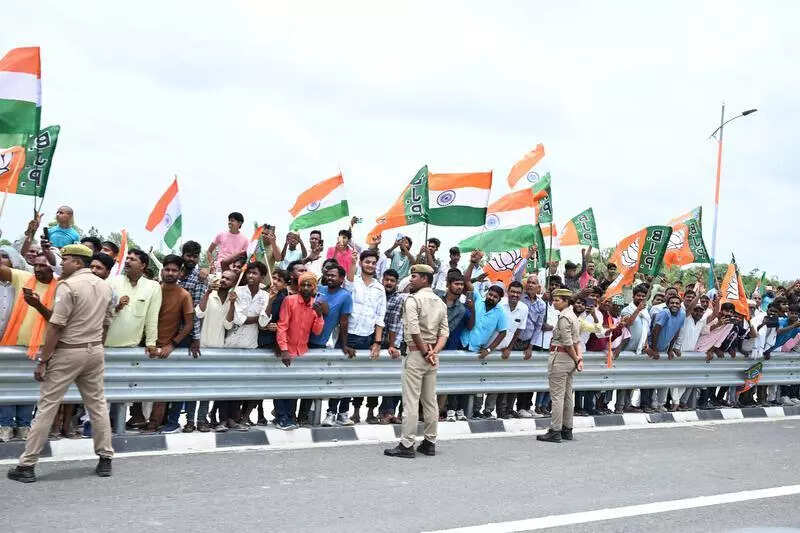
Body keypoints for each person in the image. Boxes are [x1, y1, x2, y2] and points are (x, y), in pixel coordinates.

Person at [7, 244, 115, 483]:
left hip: (68, 352)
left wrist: (43, 360)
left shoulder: (68, 286)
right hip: (94, 350)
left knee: (47, 406)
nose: (61, 264)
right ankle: (105, 459)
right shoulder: (106, 287)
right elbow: (107, 322)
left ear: (77, 262)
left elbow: (56, 325)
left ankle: (27, 465)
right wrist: (96, 346)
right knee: (97, 404)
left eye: (64, 259)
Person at [384, 264, 448, 458]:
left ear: (425, 280)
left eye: (414, 276)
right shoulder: (440, 302)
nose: (411, 279)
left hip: (415, 353)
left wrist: (424, 352)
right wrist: (433, 352)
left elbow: (413, 330)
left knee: (411, 401)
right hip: (432, 355)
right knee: (430, 400)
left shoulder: (413, 300)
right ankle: (430, 442)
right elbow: (444, 333)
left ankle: (407, 444)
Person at [105, 249, 162, 429]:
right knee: (102, 391)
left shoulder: (153, 287)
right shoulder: (112, 282)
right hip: (106, 346)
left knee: (122, 391)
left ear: (143, 265)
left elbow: (152, 318)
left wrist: (151, 343)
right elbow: (101, 311)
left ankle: (118, 425)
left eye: (133, 259)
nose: (128, 262)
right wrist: (116, 307)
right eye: (127, 258)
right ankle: (99, 425)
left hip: (131, 349)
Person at [147, 255, 195, 434]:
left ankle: (154, 423)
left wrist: (172, 345)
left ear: (180, 273)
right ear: (162, 271)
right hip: (146, 346)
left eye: (174, 270)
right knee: (138, 387)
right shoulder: (154, 291)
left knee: (161, 389)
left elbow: (189, 324)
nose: (170, 273)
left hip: (167, 348)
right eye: (167, 269)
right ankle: (138, 420)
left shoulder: (184, 295)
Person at [274, 272, 325, 430]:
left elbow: (317, 331)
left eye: (309, 285)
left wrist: (319, 315)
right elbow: (282, 326)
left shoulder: (315, 304)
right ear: (298, 285)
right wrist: (283, 349)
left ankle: (290, 417)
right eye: (303, 284)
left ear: (314, 287)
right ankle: (281, 418)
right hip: (286, 351)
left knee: (294, 387)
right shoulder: (289, 300)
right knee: (282, 387)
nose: (306, 287)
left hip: (302, 352)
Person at [343, 249, 387, 423]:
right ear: (361, 263)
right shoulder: (354, 282)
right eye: (367, 261)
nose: (370, 265)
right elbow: (347, 284)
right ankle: (343, 412)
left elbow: (380, 317)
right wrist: (352, 263)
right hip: (350, 336)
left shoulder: (379, 288)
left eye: (373, 262)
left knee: (365, 376)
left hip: (368, 337)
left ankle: (361, 411)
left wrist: (377, 342)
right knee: (345, 376)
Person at [537, 288, 582, 443]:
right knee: (567, 396)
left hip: (561, 357)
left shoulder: (564, 317)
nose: (554, 302)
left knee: (557, 397)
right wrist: (578, 359)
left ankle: (555, 430)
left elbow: (569, 343)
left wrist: (576, 358)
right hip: (569, 359)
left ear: (566, 301)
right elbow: (577, 341)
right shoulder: (573, 316)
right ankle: (567, 429)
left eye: (557, 300)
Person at [173, 241, 209, 432]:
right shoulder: (173, 272)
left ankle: (190, 420)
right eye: (188, 256)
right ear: (183, 254)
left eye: (195, 257)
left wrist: (195, 337)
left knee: (188, 380)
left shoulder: (200, 277)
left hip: (187, 334)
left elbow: (195, 311)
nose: (191, 260)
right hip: (168, 330)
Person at [195, 270, 237, 432]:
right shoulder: (210, 294)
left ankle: (202, 419)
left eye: (228, 279)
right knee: (195, 388)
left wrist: (232, 303)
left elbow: (228, 325)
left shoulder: (231, 300)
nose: (224, 280)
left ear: (233, 284)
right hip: (201, 347)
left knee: (206, 389)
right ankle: (190, 420)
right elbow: (199, 313)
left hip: (218, 350)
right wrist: (207, 292)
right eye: (223, 277)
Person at [486, 280, 529, 419]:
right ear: (507, 292)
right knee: (484, 380)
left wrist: (509, 348)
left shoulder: (524, 308)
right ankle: (484, 410)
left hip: (505, 350)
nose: (515, 295)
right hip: (489, 348)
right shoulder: (499, 304)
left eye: (518, 292)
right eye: (512, 292)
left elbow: (518, 331)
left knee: (501, 381)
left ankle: (500, 411)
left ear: (521, 295)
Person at [442, 271, 475, 421]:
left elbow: (470, 325)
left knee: (444, 382)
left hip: (450, 350)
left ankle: (440, 411)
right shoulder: (437, 299)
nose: (459, 287)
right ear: (448, 285)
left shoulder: (462, 308)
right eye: (456, 284)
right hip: (431, 347)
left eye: (461, 285)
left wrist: (472, 308)